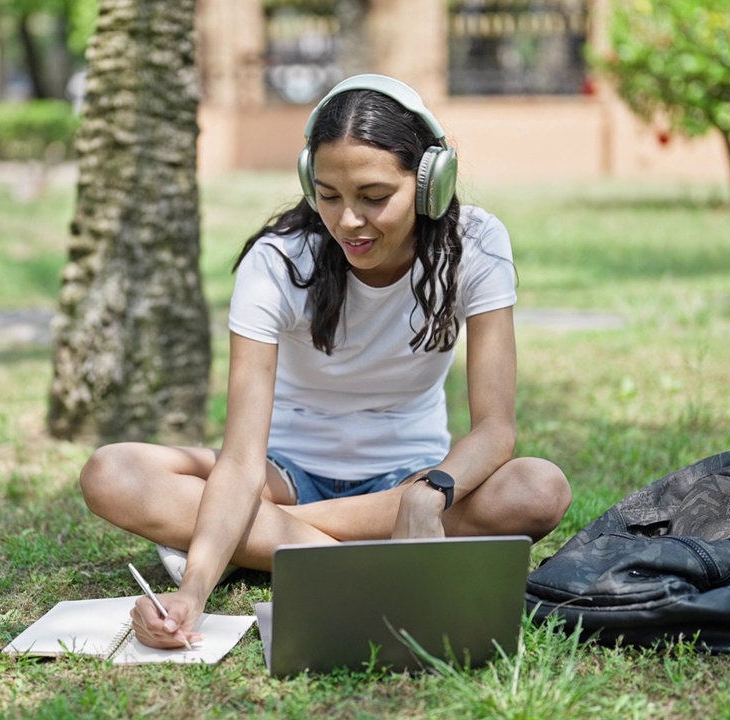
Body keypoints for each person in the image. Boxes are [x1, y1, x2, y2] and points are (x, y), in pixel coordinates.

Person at [79, 74, 571, 650]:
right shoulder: (278, 261)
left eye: (374, 196)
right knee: (111, 473)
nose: (348, 222)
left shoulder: (477, 245)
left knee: (539, 488)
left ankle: (258, 540)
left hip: (406, 475)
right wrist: (194, 591)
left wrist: (429, 491)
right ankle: (332, 548)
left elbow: (495, 429)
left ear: (430, 183)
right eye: (330, 196)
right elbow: (240, 461)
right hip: (282, 474)